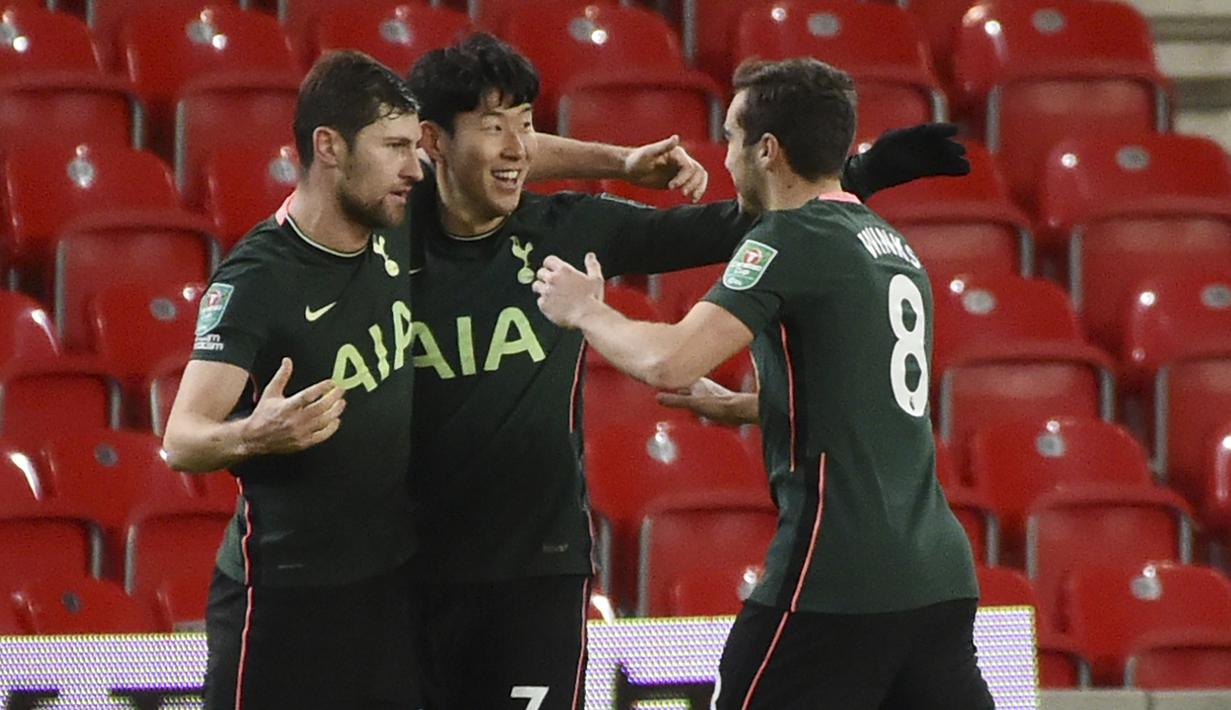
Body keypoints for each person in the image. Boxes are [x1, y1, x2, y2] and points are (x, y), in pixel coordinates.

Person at [403, 34, 973, 709]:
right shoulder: (894, 246)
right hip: (939, 572)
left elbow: (674, 344)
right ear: (433, 140)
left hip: (561, 567)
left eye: (731, 137)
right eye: (493, 125)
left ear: (765, 149)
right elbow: (864, 393)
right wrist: (618, 159)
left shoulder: (583, 230)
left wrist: (586, 311)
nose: (721, 154)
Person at [162, 51, 424, 709]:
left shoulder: (393, 225)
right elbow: (182, 440)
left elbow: (501, 153)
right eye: (395, 147)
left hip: (389, 593)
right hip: (282, 602)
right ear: (329, 146)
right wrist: (255, 433)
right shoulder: (258, 279)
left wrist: (618, 164)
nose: (415, 168)